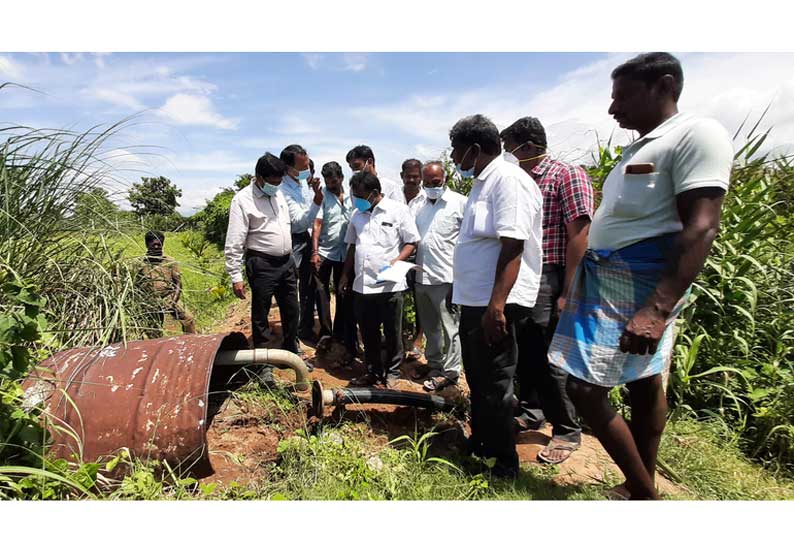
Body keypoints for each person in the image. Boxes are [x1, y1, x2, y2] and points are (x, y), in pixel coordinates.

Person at [549, 53, 734, 499]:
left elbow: (702, 224)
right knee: (645, 381)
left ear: (664, 85)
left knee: (584, 388)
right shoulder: (641, 147)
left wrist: (656, 308)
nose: (613, 110)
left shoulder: (697, 134)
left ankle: (643, 493)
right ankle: (639, 485)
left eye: (622, 96)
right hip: (610, 280)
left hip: (641, 285)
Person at [450, 114, 543, 477]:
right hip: (477, 300)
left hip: (496, 303)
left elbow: (513, 245)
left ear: (474, 148)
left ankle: (503, 462)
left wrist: (497, 305)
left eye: (458, 151)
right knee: (479, 378)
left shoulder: (508, 181)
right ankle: (482, 443)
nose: (455, 159)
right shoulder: (483, 183)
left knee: (496, 384)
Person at [500, 116, 595, 464]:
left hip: (552, 274)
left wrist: (568, 290)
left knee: (550, 354)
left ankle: (567, 429)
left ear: (527, 147)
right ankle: (532, 409)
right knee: (525, 347)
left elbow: (580, 235)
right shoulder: (519, 180)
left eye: (509, 149)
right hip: (525, 274)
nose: (507, 156)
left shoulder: (566, 175)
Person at [225, 152, 323, 386]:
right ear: (259, 177)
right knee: (261, 316)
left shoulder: (278, 194)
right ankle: (263, 364)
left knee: (292, 309)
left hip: (286, 262)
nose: (277, 186)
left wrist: (314, 203)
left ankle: (291, 352)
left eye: (279, 182)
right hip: (262, 264)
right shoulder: (243, 200)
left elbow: (295, 223)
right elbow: (235, 240)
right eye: (273, 182)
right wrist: (235, 275)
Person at [339, 170, 420, 388]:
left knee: (392, 332)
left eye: (360, 195)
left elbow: (412, 242)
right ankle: (373, 371)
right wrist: (346, 275)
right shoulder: (357, 215)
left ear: (374, 193)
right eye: (354, 195)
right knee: (368, 332)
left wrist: (396, 261)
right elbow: (352, 246)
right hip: (362, 285)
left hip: (389, 285)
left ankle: (392, 373)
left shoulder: (398, 211)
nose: (356, 199)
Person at [412, 161, 467, 392]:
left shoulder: (460, 204)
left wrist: (460, 278)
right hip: (422, 276)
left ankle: (452, 372)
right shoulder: (419, 206)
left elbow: (467, 243)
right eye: (427, 183)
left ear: (444, 179)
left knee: (450, 328)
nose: (432, 186)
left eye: (436, 182)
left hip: (447, 278)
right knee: (430, 325)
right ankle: (434, 364)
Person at [310, 161, 358, 359]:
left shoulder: (352, 197)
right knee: (321, 291)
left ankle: (340, 332)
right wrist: (314, 252)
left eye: (334, 181)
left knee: (343, 291)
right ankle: (326, 331)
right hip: (325, 251)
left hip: (345, 253)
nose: (332, 185)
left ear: (341, 178)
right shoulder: (323, 198)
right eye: (329, 182)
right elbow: (317, 224)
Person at [279, 144, 323, 351]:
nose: (307, 170)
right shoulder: (283, 189)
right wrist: (316, 202)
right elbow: (297, 222)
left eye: (308, 164)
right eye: (302, 166)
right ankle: (292, 337)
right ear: (288, 167)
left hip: (305, 239)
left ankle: (305, 328)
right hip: (291, 241)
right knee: (291, 290)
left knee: (308, 287)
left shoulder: (301, 183)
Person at [137, 230, 196, 337]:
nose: (156, 247)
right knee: (152, 329)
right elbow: (136, 284)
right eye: (153, 244)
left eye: (159, 245)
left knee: (188, 318)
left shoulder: (169, 261)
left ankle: (191, 342)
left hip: (169, 297)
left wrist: (173, 301)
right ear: (147, 245)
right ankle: (157, 348)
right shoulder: (140, 263)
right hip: (150, 301)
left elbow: (178, 283)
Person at [400, 158, 426, 360]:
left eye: (415, 176)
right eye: (408, 176)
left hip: (420, 255)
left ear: (421, 178)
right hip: (396, 255)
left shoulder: (427, 200)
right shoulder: (393, 196)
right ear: (402, 176)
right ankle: (397, 336)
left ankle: (418, 338)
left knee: (419, 298)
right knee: (396, 297)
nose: (411, 180)